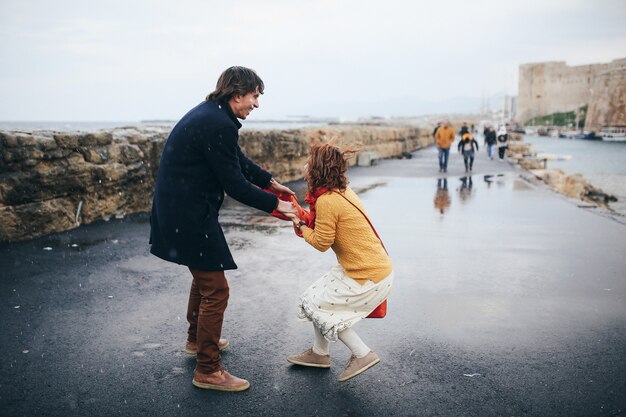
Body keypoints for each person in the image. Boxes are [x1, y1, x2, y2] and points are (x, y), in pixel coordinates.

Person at [149, 66, 297, 392]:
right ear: (237, 93)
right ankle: (207, 369)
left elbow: (238, 161)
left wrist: (271, 183)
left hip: (180, 208)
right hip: (188, 213)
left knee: (206, 275)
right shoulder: (218, 124)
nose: (256, 104)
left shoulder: (213, 116)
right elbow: (234, 185)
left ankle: (194, 340)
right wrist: (277, 206)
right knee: (216, 289)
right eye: (254, 95)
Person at [285, 143, 394, 382]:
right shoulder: (340, 191)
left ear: (317, 170)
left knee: (320, 307)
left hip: (367, 274)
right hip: (368, 268)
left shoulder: (327, 201)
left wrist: (300, 226)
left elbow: (322, 243)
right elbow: (323, 225)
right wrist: (300, 217)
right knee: (313, 296)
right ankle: (319, 353)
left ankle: (362, 353)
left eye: (309, 162)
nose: (305, 165)